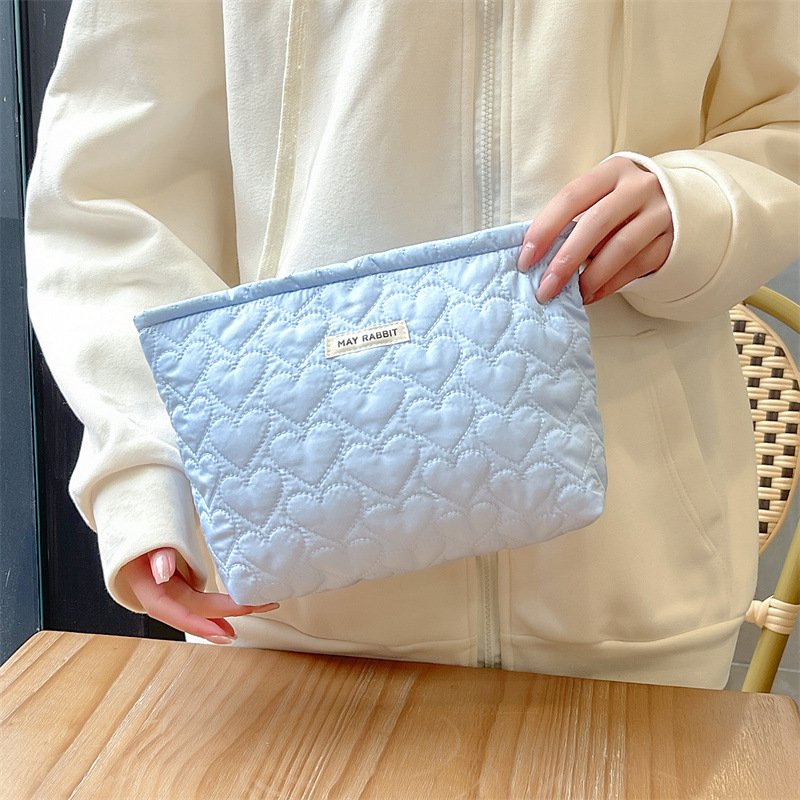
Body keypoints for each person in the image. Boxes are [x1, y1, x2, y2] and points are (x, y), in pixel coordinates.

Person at [25, 0, 799, 687]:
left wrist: (698, 203)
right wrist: (144, 464)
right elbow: (106, 194)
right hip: (293, 614)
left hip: (633, 605)